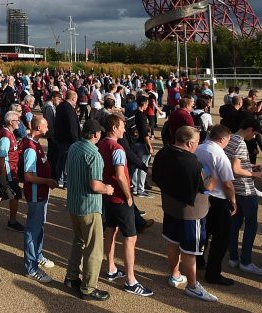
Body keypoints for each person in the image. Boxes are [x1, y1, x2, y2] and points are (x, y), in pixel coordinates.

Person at [153, 126, 217, 302]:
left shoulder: (163, 153)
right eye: (197, 142)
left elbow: (156, 175)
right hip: (191, 213)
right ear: (189, 143)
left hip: (170, 207)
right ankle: (192, 285)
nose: (198, 145)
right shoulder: (193, 163)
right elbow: (206, 186)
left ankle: (174, 274)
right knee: (190, 250)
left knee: (172, 242)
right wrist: (215, 176)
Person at [96, 113, 152, 296]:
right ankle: (130, 280)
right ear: (114, 128)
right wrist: (128, 196)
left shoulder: (101, 144)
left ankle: (111, 268)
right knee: (130, 238)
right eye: (121, 126)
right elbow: (120, 175)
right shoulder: (117, 148)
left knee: (111, 231)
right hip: (119, 197)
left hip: (107, 196)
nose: (124, 129)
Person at [61, 117, 112, 301]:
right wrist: (107, 188)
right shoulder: (94, 155)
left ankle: (71, 276)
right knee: (94, 249)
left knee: (79, 241)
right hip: (89, 206)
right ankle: (88, 288)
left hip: (74, 204)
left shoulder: (74, 147)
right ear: (96, 135)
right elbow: (95, 185)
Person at [224, 117, 262, 275]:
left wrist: (249, 165)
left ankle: (233, 257)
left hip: (232, 188)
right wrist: (255, 174)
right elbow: (236, 168)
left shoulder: (228, 138)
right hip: (245, 189)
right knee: (251, 225)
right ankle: (246, 261)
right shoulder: (241, 143)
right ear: (250, 130)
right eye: (254, 133)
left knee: (235, 223)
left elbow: (232, 164)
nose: (254, 137)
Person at [195, 125, 238, 286]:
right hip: (218, 199)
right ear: (222, 139)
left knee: (204, 232)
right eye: (227, 140)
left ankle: (198, 261)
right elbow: (227, 184)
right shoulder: (220, 156)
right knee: (221, 238)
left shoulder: (198, 148)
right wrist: (233, 201)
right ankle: (213, 273)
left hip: (202, 197)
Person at [19, 114, 57, 283]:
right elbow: (28, 176)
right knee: (32, 230)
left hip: (41, 193)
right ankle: (31, 267)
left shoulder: (35, 144)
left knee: (39, 226)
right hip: (35, 194)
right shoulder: (30, 148)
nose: (48, 128)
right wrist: (48, 181)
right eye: (46, 126)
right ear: (38, 128)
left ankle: (37, 256)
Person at [0, 109, 25, 232]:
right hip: (8, 172)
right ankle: (12, 222)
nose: (19, 123)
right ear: (10, 122)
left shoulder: (10, 133)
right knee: (15, 195)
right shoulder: (6, 136)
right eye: (16, 120)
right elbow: (1, 157)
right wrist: (3, 175)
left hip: (12, 170)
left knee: (2, 194)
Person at [53, 91, 80, 187]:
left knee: (61, 160)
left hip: (60, 138)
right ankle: (63, 180)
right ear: (73, 99)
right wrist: (76, 141)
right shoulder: (69, 109)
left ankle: (60, 179)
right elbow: (72, 127)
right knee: (66, 161)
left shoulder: (61, 106)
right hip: (68, 140)